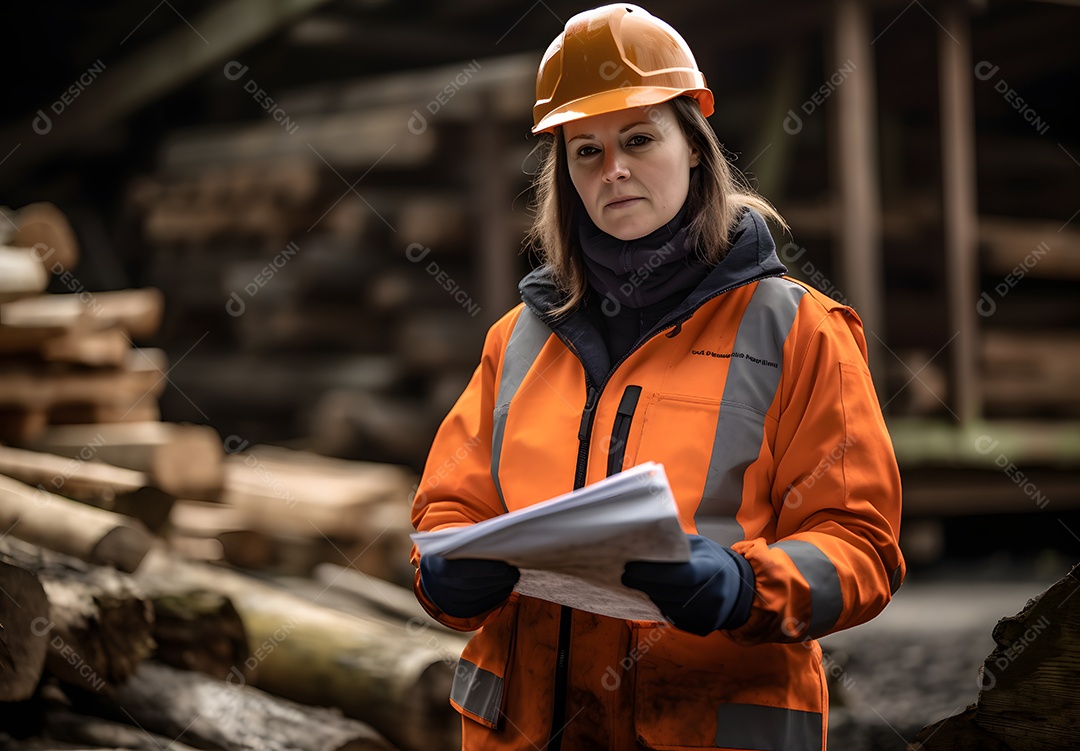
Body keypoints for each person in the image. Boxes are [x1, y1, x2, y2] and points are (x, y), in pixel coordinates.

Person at [410, 5, 904, 750]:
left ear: (695, 147)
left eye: (639, 139)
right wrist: (444, 572)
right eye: (585, 151)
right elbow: (446, 510)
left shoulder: (800, 332)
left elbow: (862, 544)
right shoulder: (515, 342)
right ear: (564, 175)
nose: (613, 169)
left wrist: (745, 585)